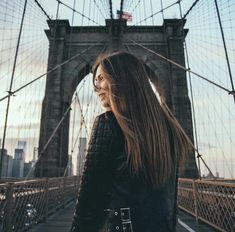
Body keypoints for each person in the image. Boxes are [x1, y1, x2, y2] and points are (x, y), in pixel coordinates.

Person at [70, 51, 193, 232]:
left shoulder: (108, 124)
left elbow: (89, 207)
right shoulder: (171, 131)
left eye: (101, 78)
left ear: (123, 79)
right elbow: (170, 203)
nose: (96, 87)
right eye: (95, 81)